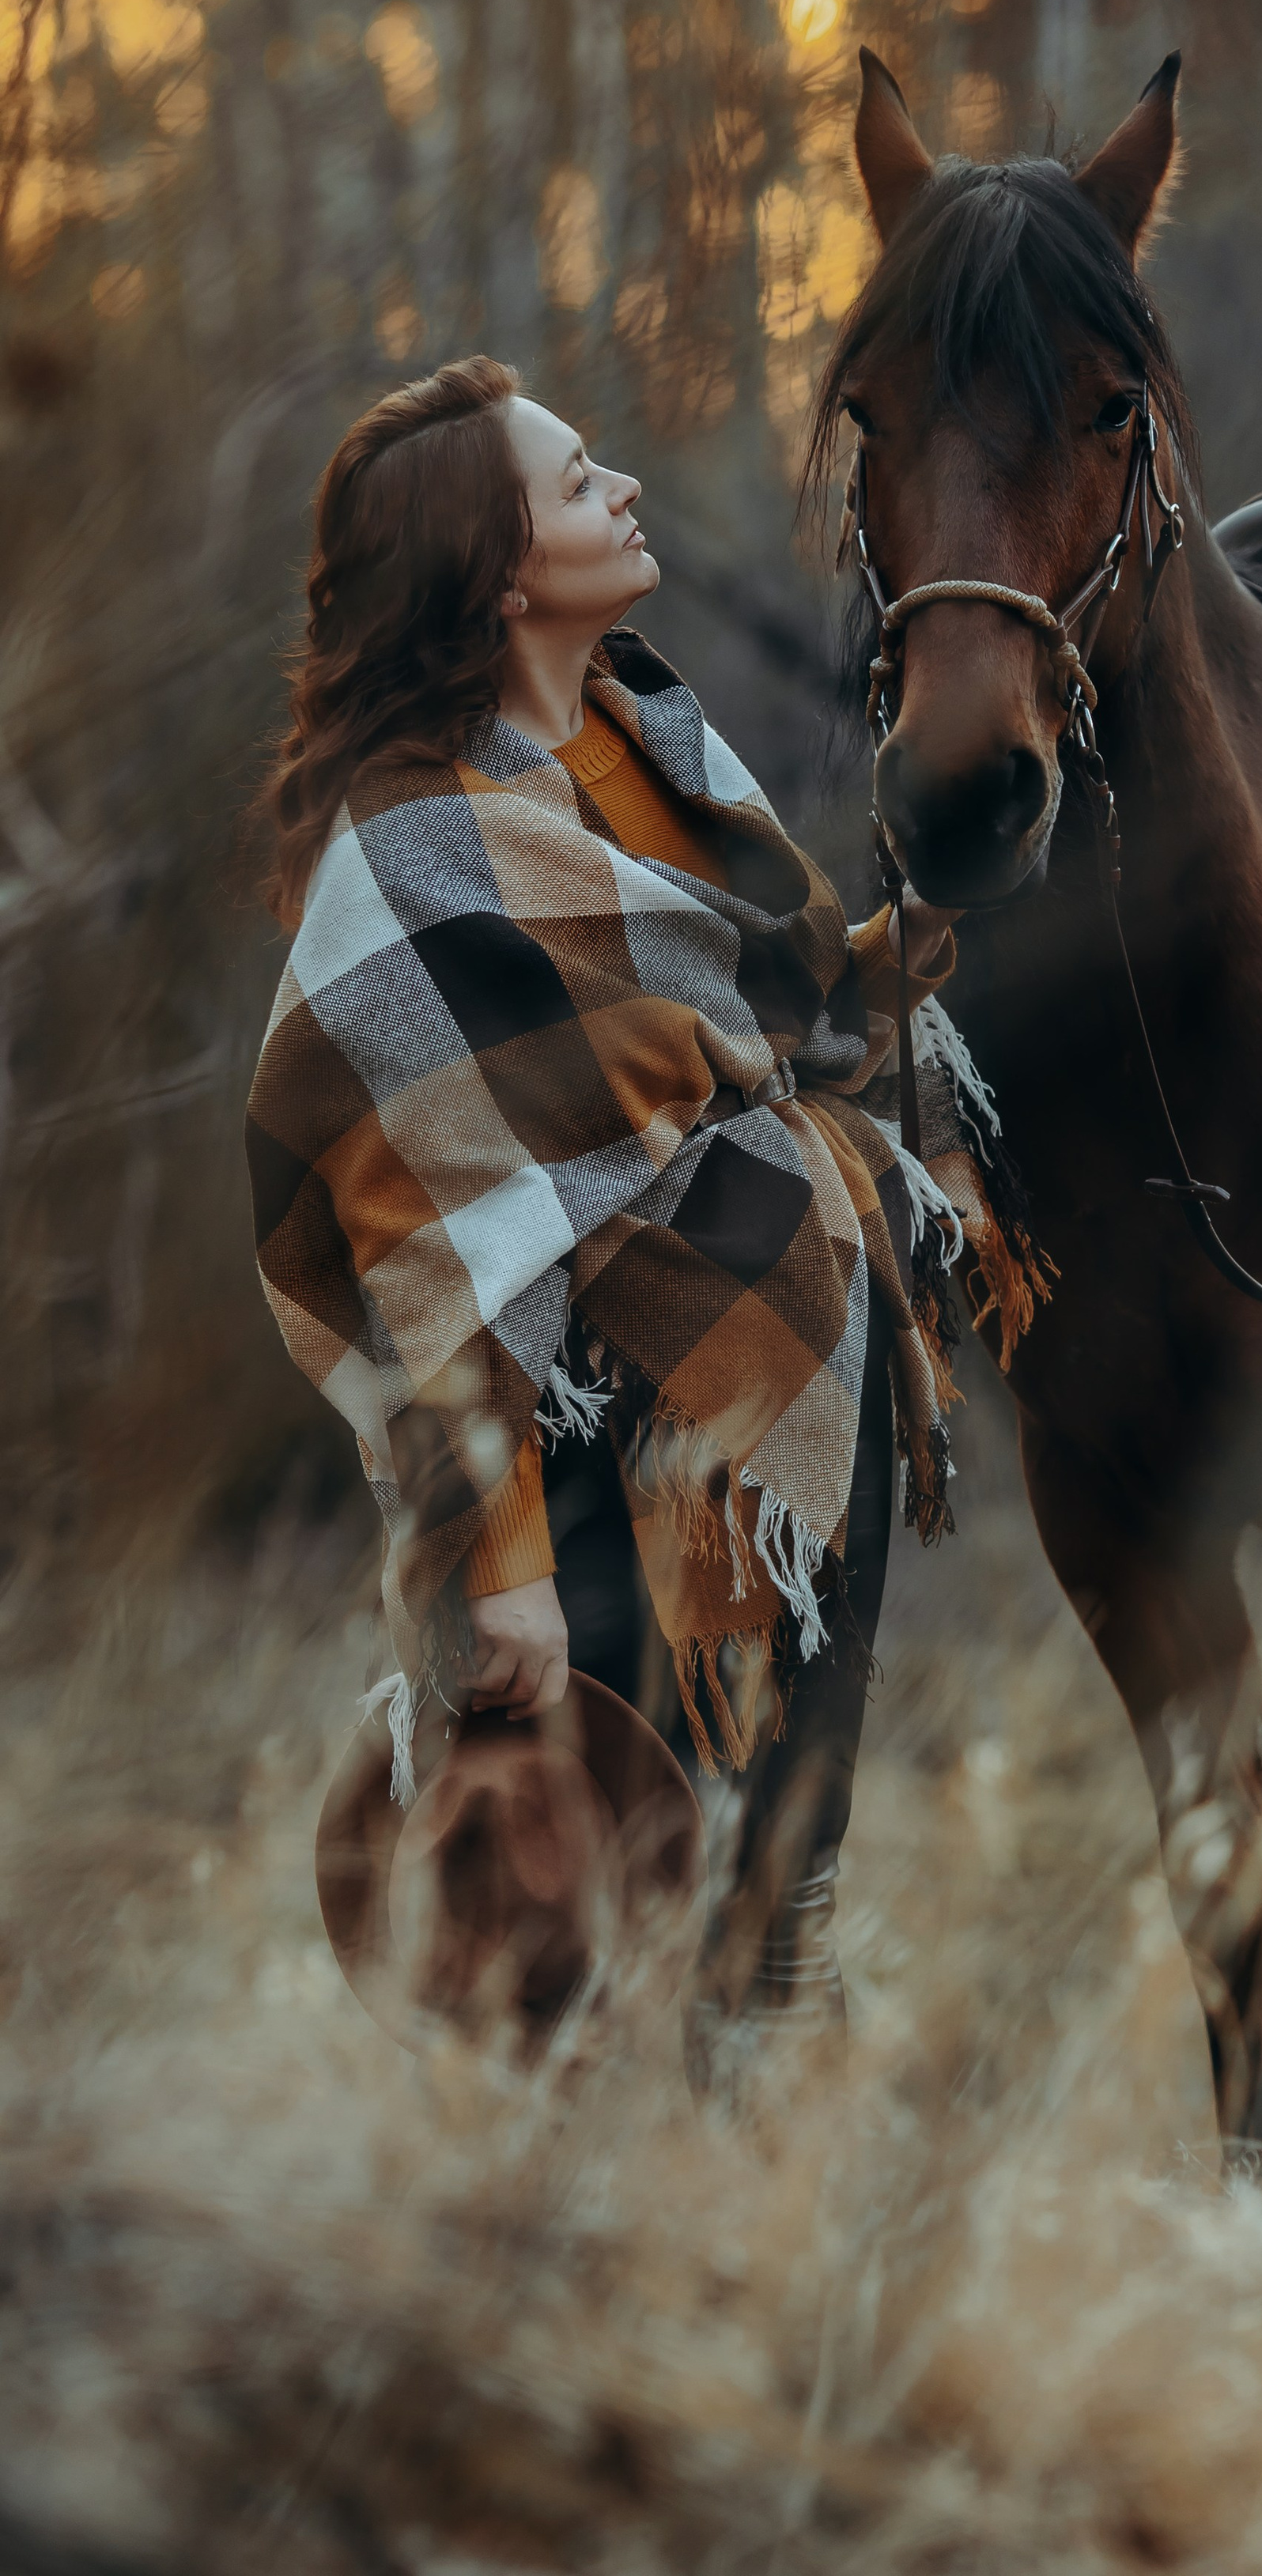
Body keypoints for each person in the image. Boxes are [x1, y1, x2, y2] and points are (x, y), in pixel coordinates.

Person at [247, 355, 1037, 2042]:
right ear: (504, 568)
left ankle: (751, 2133)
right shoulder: (406, 859)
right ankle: (578, 2237)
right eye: (575, 475)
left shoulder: (641, 734)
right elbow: (423, 1254)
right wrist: (501, 1564)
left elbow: (778, 1005)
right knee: (612, 1892)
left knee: (773, 1872)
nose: (619, 488)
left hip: (770, 1386)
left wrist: (926, 924)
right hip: (589, 1444)